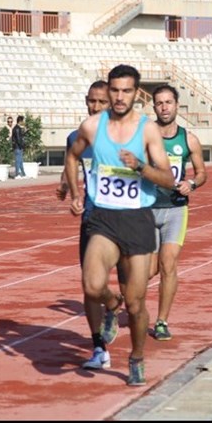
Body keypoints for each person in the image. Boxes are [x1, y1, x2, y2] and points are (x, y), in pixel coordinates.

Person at [65, 64, 174, 386]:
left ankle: (136, 357)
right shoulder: (91, 126)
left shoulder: (148, 130)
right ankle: (112, 305)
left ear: (136, 94)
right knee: (92, 285)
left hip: (138, 219)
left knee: (138, 302)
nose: (119, 97)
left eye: (126, 91)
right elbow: (72, 157)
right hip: (104, 217)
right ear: (108, 91)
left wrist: (140, 166)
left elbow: (167, 179)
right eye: (114, 90)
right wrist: (75, 192)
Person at [56, 80, 123, 369]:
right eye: (91, 101)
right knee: (90, 285)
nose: (95, 107)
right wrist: (70, 192)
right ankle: (99, 347)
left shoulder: (127, 135)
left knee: (134, 290)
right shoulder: (76, 137)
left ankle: (118, 305)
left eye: (101, 102)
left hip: (127, 218)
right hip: (93, 219)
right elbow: (72, 163)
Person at [148, 84, 207, 341]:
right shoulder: (145, 136)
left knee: (168, 264)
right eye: (159, 103)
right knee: (147, 270)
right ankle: (119, 298)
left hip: (175, 209)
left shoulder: (189, 139)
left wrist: (191, 183)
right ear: (154, 107)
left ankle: (161, 321)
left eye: (168, 102)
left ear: (176, 105)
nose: (164, 107)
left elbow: (202, 172)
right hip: (147, 209)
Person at [11, 115, 26, 179]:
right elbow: (18, 138)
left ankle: (23, 174)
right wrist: (21, 145)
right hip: (17, 147)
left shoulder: (18, 128)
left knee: (20, 160)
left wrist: (25, 132)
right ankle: (17, 174)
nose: (23, 122)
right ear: (20, 121)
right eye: (22, 121)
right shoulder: (17, 128)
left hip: (19, 146)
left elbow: (20, 136)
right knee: (18, 161)